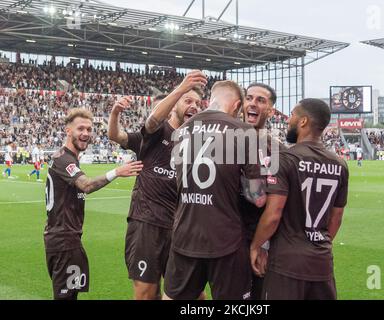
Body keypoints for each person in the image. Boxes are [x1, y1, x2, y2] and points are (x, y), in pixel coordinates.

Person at [107, 70, 207, 300]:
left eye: (198, 103)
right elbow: (140, 126)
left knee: (193, 293)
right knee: (146, 294)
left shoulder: (196, 143)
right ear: (173, 105)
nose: (194, 106)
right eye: (188, 101)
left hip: (179, 227)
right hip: (147, 224)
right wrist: (181, 87)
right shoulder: (157, 132)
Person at [163, 80, 266, 300]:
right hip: (225, 239)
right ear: (237, 105)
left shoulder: (181, 131)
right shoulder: (243, 130)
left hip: (184, 234)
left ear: (211, 100)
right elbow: (255, 196)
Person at [250, 99, 349, 300]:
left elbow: (273, 215)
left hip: (287, 262)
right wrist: (315, 245)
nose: (289, 121)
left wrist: (255, 246)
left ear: (303, 121)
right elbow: (336, 218)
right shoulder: (340, 164)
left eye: (293, 115)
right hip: (321, 261)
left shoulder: (285, 159)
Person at [44, 108, 143, 300]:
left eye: (89, 129)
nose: (86, 134)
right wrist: (116, 172)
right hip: (64, 241)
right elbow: (86, 185)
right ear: (68, 131)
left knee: (69, 295)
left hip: (63, 239)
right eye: (81, 128)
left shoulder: (68, 158)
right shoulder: (64, 159)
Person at [240, 83, 286, 300]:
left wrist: (263, 244)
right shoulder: (220, 140)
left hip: (259, 239)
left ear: (271, 111)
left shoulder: (276, 150)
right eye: (249, 98)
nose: (253, 103)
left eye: (261, 100)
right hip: (225, 239)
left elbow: (278, 203)